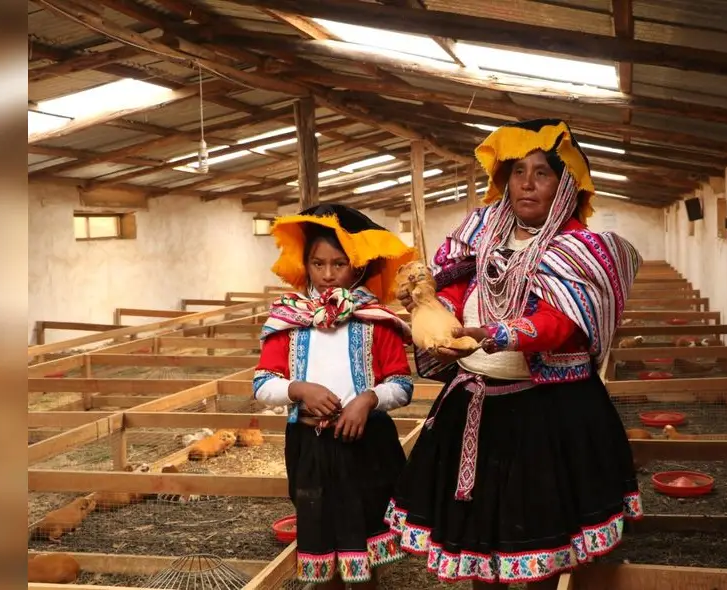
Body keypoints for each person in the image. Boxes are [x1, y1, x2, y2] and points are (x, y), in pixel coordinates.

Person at [384, 119, 644, 589]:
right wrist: (431, 312)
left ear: (565, 185)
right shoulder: (480, 234)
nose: (526, 182)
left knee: (542, 532)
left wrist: (501, 333)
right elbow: (454, 284)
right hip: (474, 403)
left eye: (542, 172)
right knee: (479, 533)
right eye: (518, 170)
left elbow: (565, 323)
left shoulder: (581, 250)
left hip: (549, 411)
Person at [253, 203, 416, 589]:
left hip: (367, 448)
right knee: (322, 542)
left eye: (338, 264)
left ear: (357, 265)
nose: (327, 275)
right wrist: (298, 389)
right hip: (310, 447)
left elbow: (402, 384)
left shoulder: (375, 319)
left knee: (364, 548)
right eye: (317, 263)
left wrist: (368, 400)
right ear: (304, 264)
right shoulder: (288, 319)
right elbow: (262, 384)